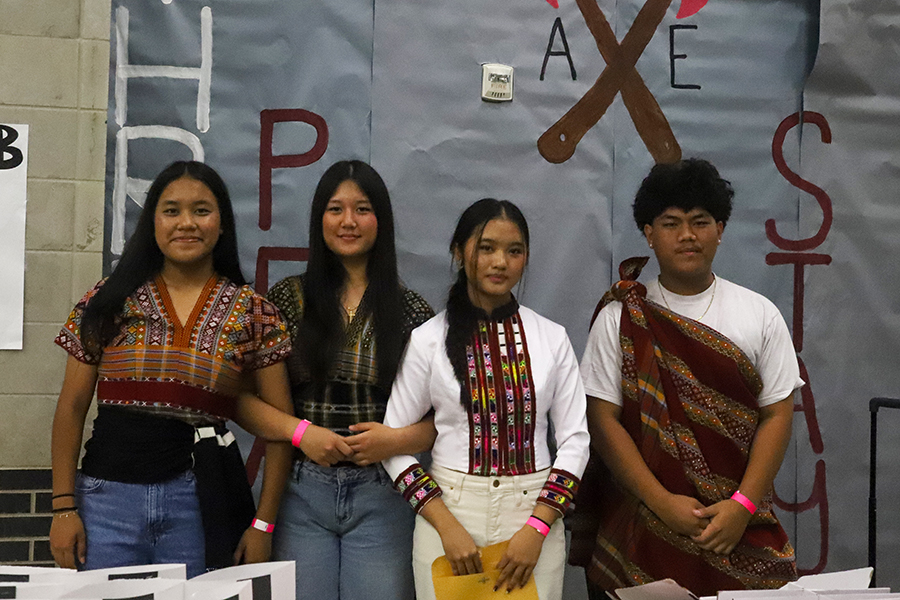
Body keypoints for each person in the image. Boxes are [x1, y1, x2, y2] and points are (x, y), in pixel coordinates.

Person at [49, 161, 295, 577]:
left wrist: (263, 523)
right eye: (171, 210)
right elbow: (72, 407)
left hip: (199, 505)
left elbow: (282, 429)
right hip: (107, 503)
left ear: (222, 224)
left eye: (201, 210)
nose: (186, 223)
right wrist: (63, 508)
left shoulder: (256, 314)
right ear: (152, 223)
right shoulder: (108, 300)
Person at [574, 158, 803, 596]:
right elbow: (602, 420)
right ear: (648, 233)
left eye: (700, 222)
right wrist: (661, 503)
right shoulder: (622, 317)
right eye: (671, 223)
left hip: (740, 526)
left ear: (720, 228)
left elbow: (777, 414)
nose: (687, 236)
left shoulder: (759, 315)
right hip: (645, 527)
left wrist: (742, 505)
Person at [382, 198, 590, 600]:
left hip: (534, 517)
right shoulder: (428, 340)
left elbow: (575, 441)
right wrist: (446, 526)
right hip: (449, 516)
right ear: (459, 253)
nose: (500, 262)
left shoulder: (552, 337)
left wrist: (538, 528)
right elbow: (393, 447)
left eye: (514, 251)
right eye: (486, 247)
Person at [265, 160, 436, 600]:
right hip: (303, 488)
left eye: (362, 209)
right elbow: (248, 402)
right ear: (319, 217)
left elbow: (447, 420)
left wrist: (394, 442)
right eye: (335, 208)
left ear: (381, 219)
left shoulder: (411, 311)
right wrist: (301, 433)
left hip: (384, 491)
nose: (348, 221)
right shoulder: (286, 298)